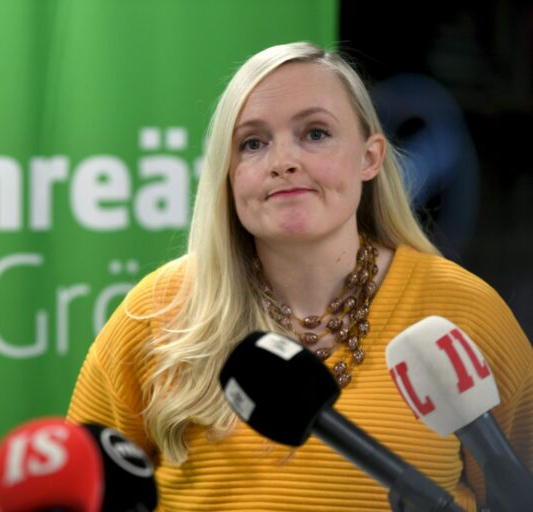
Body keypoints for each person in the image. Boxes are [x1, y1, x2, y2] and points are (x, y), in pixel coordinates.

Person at [67, 41, 533, 511]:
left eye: (315, 133)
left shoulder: (465, 310)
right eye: (253, 143)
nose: (283, 161)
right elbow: (79, 488)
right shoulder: (156, 311)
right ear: (227, 174)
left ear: (370, 157)